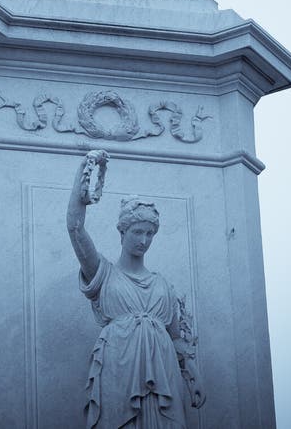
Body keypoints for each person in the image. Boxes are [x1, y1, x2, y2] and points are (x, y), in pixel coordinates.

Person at [67, 152, 202, 428]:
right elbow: (75, 228)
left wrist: (193, 375)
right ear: (122, 233)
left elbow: (176, 338)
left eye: (150, 233)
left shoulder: (163, 285)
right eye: (137, 232)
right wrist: (83, 176)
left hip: (162, 370)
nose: (144, 240)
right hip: (119, 365)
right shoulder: (104, 273)